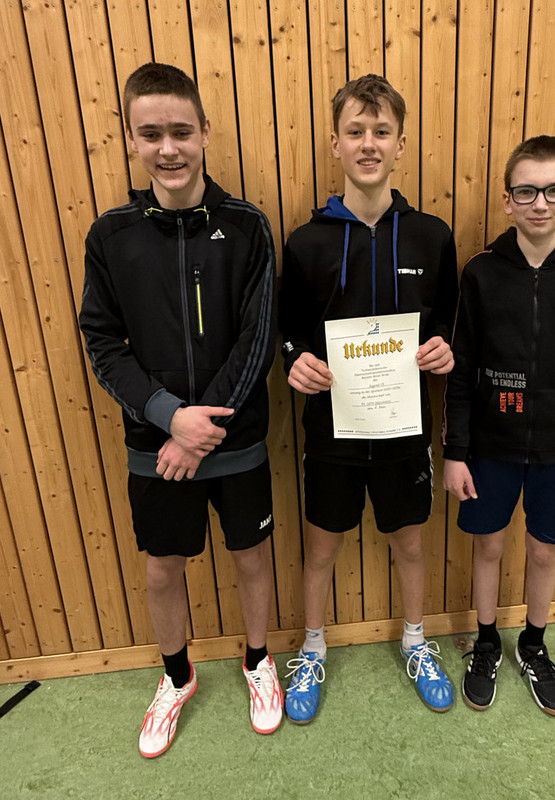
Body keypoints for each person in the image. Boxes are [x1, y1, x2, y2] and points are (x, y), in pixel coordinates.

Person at [79, 62, 282, 757]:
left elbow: (258, 337)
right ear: (130, 139)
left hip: (235, 440)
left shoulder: (248, 226)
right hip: (156, 444)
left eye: (181, 131)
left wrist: (200, 429)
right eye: (151, 133)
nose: (168, 148)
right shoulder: (111, 236)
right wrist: (170, 417)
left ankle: (258, 661)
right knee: (163, 568)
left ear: (204, 132)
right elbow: (102, 341)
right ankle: (176, 677)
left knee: (251, 556)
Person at [279, 74, 458, 722]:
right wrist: (295, 360)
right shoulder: (306, 241)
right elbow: (288, 330)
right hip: (333, 430)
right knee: (321, 549)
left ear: (401, 144)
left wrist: (444, 349)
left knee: (409, 544)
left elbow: (450, 323)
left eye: (382, 131)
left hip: (405, 430)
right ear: (335, 143)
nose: (368, 143)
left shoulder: (432, 236)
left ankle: (415, 639)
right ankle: (313, 647)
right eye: (355, 131)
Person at [443, 135, 555, 715]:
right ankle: (486, 642)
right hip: (489, 447)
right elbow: (461, 369)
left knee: (545, 553)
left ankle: (534, 646)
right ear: (507, 199)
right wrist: (455, 452)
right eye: (526, 191)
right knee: (488, 546)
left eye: (553, 190)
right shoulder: (481, 272)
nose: (539, 203)